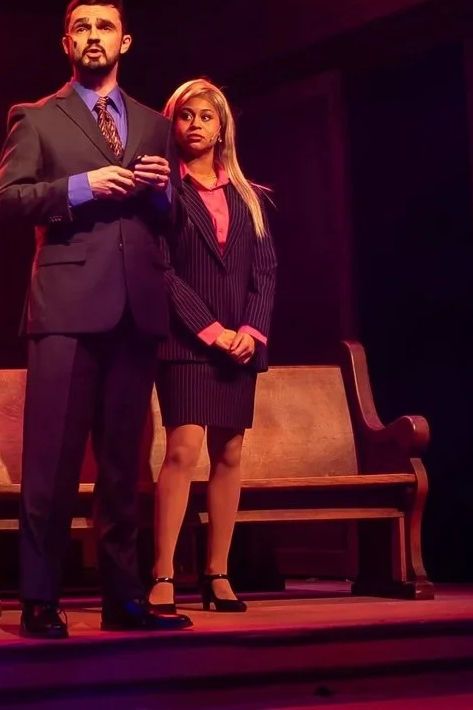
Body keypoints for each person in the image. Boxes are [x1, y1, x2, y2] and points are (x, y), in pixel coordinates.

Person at [0, 0, 192, 638]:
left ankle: (124, 600)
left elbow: (173, 222)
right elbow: (6, 201)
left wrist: (161, 193)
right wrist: (84, 187)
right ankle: (40, 600)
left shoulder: (154, 123)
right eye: (82, 28)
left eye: (106, 26)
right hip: (67, 306)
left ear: (125, 41)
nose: (94, 36)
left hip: (137, 305)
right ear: (67, 43)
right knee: (51, 462)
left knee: (123, 466)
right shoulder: (36, 117)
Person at [149, 78, 277, 615]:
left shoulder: (250, 197)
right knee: (183, 450)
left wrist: (251, 331)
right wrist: (211, 330)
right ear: (172, 125)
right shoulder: (163, 193)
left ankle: (217, 573)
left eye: (206, 116)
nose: (195, 124)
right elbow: (162, 272)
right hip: (186, 342)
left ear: (222, 127)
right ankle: (162, 573)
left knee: (229, 452)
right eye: (186, 116)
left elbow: (264, 273)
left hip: (239, 346)